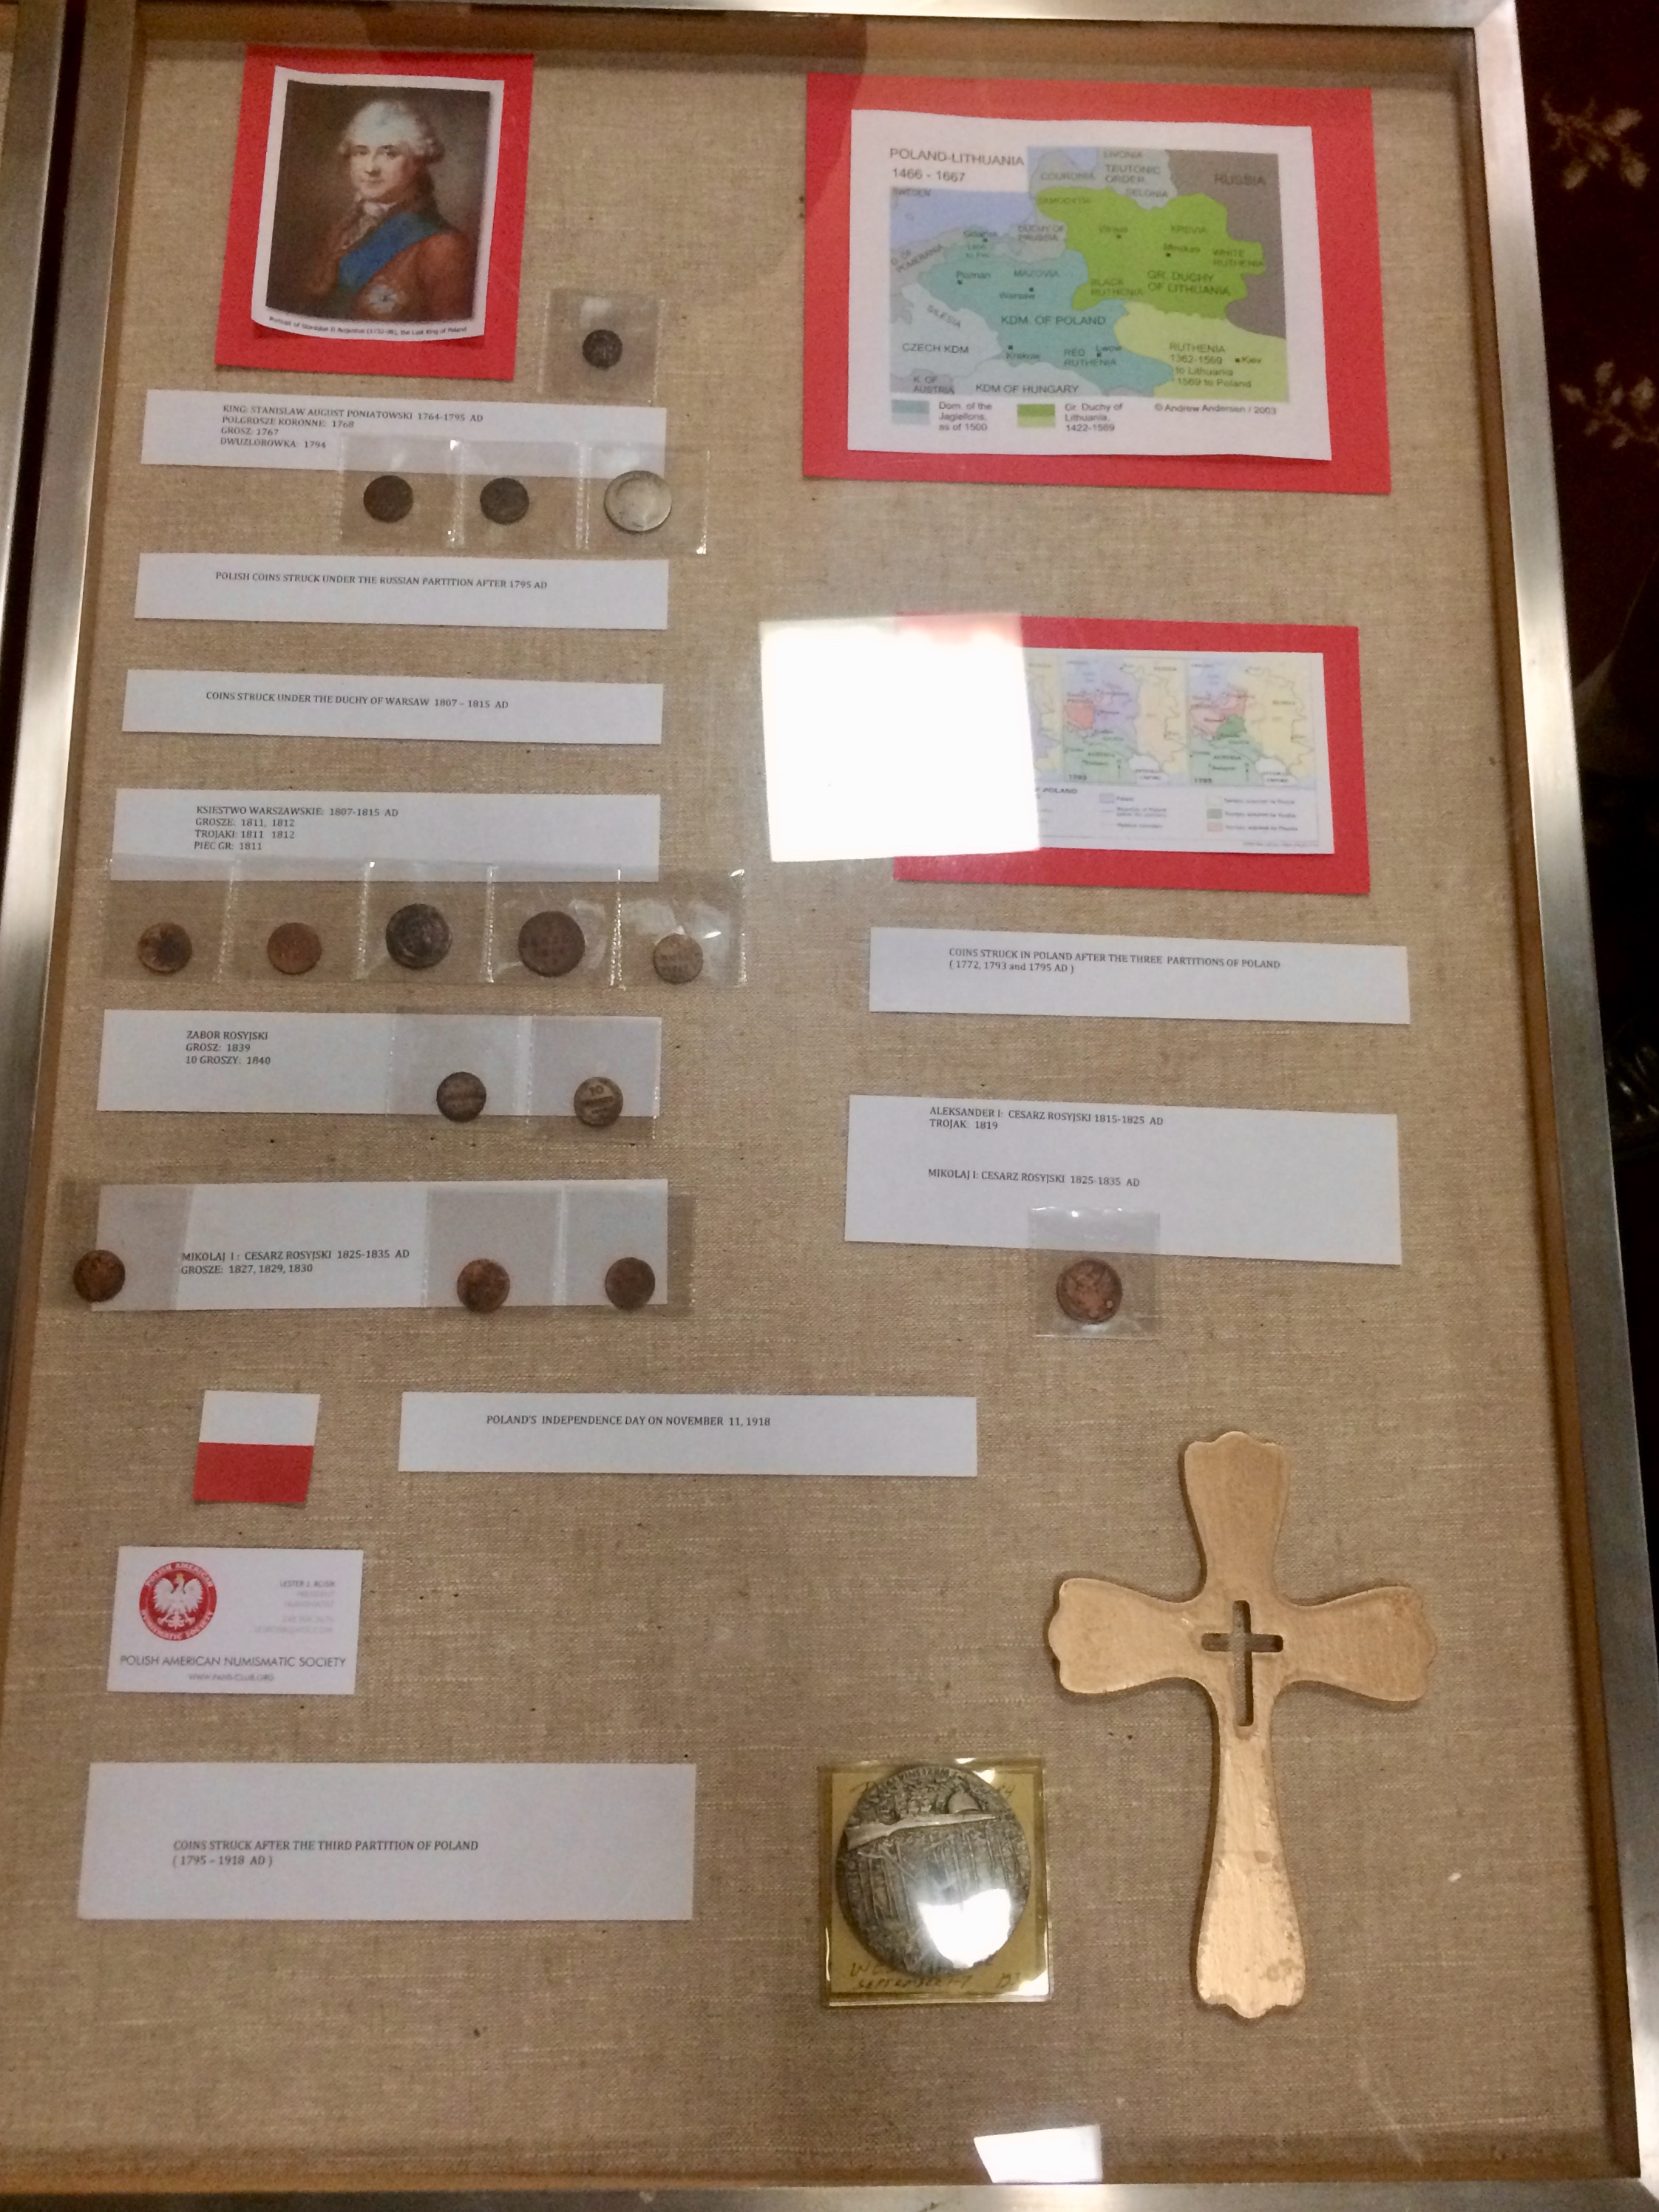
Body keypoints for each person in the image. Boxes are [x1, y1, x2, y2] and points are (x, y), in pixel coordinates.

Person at [300, 96, 475, 324]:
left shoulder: (443, 247)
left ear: (417, 162)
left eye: (389, 153)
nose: (370, 168)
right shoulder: (345, 228)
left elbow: (449, 338)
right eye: (361, 152)